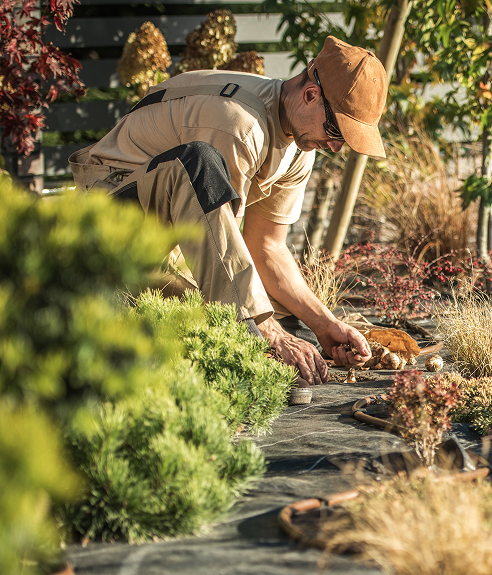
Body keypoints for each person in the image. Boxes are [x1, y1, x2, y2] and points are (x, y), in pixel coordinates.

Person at [69, 36, 384, 385]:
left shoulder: (299, 146)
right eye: (335, 130)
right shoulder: (239, 124)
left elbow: (266, 248)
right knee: (255, 322)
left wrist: (325, 325)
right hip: (110, 218)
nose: (336, 147)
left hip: (175, 240)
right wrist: (269, 334)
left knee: (291, 327)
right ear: (311, 94)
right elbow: (219, 255)